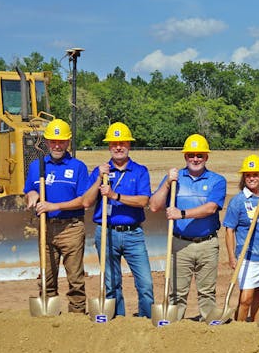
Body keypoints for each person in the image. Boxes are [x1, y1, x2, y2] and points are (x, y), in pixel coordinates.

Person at [149, 133, 226, 321]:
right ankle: (174, 329)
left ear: (206, 157)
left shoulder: (217, 180)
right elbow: (154, 206)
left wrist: (182, 214)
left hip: (207, 245)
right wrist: (167, 183)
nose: (195, 159)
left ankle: (207, 332)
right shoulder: (175, 179)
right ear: (185, 157)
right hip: (179, 244)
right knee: (176, 294)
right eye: (191, 155)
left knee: (207, 293)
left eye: (200, 155)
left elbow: (211, 208)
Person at [81, 122, 155, 318]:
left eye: (122, 143)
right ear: (109, 146)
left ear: (129, 145)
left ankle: (146, 320)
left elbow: (144, 200)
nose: (118, 147)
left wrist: (115, 196)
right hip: (106, 233)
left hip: (133, 234)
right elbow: (86, 202)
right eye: (114, 144)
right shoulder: (100, 171)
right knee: (112, 283)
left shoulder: (140, 171)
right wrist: (99, 179)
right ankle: (118, 321)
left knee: (145, 283)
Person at [24, 119, 89, 313]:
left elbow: (83, 200)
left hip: (71, 228)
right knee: (47, 278)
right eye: (53, 141)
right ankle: (48, 318)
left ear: (68, 142)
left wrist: (55, 205)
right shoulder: (37, 166)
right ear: (46, 142)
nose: (57, 145)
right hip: (46, 227)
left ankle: (76, 317)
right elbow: (30, 190)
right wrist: (32, 195)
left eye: (61, 141)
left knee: (75, 280)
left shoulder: (78, 167)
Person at [223, 155, 259, 322]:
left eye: (255, 175)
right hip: (247, 257)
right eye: (248, 175)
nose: (251, 178)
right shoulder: (238, 201)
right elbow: (229, 230)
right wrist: (232, 257)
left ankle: (254, 329)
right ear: (243, 178)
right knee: (245, 299)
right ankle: (240, 328)